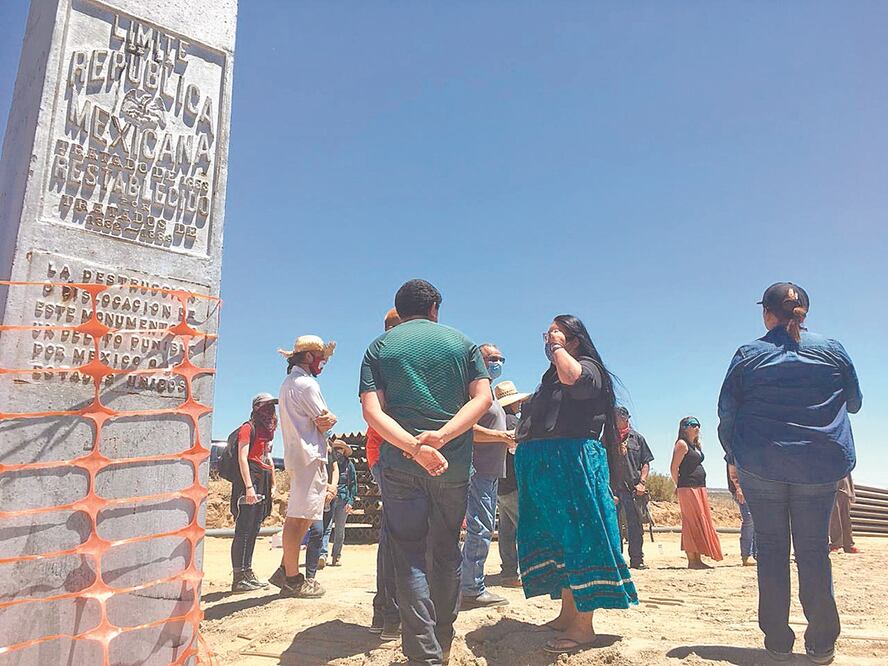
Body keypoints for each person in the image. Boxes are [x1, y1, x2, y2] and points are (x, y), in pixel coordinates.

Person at [718, 282, 862, 664]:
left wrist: (733, 455)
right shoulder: (833, 350)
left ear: (767, 314)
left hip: (762, 464)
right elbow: (856, 403)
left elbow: (727, 413)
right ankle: (821, 643)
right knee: (814, 550)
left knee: (771, 550)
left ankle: (779, 641)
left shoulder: (749, 354)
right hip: (820, 465)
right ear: (805, 312)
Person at [360, 279, 492, 665]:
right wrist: (443, 436)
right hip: (452, 467)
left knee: (409, 555)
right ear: (435, 309)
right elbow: (483, 399)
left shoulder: (379, 348)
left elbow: (372, 412)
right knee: (447, 550)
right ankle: (444, 641)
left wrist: (414, 447)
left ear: (399, 311)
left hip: (401, 464)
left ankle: (423, 655)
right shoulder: (464, 344)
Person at [514, 315, 637, 655]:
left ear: (574, 340)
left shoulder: (587, 367)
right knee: (559, 540)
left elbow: (575, 379)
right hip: (547, 468)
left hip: (574, 466)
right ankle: (567, 613)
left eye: (555, 333)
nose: (547, 339)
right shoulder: (550, 375)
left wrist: (557, 348)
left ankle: (583, 627)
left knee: (582, 538)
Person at [268, 335, 339, 599]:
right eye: (320, 357)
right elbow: (323, 421)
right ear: (309, 357)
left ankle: (286, 569)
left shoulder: (288, 383)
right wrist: (332, 417)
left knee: (299, 517)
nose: (322, 363)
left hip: (297, 455)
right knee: (301, 520)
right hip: (310, 456)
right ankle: (292, 578)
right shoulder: (307, 385)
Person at [460, 343, 513, 610]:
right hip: (477, 470)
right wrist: (500, 436)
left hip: (490, 471)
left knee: (481, 528)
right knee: (480, 528)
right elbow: (465, 429)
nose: (497, 362)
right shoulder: (473, 393)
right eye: (492, 358)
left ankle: (466, 582)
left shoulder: (487, 392)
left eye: (500, 358)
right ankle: (471, 588)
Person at [368, 307, 401, 639]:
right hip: (392, 454)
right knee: (397, 535)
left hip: (387, 452)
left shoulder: (379, 355)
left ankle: (385, 612)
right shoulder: (385, 355)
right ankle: (390, 615)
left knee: (394, 533)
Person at [230, 393, 278, 592]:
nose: (270, 411)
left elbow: (268, 457)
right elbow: (243, 458)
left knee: (254, 528)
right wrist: (249, 487)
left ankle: (247, 571)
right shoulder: (247, 428)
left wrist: (273, 482)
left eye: (272, 407)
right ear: (257, 408)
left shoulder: (267, 433)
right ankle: (239, 575)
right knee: (244, 529)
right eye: (266, 407)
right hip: (250, 479)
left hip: (263, 478)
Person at [670, 417, 723, 569]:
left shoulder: (695, 445)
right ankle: (692, 560)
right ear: (684, 428)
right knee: (691, 521)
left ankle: (698, 558)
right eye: (693, 425)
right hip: (688, 487)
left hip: (700, 487)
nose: (697, 427)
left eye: (698, 424)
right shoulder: (681, 444)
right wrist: (678, 485)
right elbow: (674, 468)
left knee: (700, 519)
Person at [493, 380, 530, 588]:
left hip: (499, 484)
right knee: (525, 529)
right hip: (516, 484)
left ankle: (508, 573)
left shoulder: (496, 422)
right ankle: (530, 571)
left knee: (507, 533)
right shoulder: (515, 424)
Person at [612, 406, 654, 570]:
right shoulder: (607, 438)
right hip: (613, 489)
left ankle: (637, 560)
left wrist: (642, 483)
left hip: (633, 489)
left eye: (619, 416)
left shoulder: (638, 439)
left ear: (625, 418)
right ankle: (617, 561)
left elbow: (645, 462)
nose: (616, 419)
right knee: (613, 526)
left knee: (634, 525)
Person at [321, 440, 358, 567]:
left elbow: (353, 484)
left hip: (343, 500)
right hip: (329, 499)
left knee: (339, 530)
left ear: (344, 451)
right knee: (326, 527)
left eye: (340, 449)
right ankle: (323, 554)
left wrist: (351, 501)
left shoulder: (349, 465)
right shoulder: (329, 463)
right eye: (336, 449)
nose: (338, 452)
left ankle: (336, 556)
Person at [726, 462, 757, 566]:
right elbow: (732, 468)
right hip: (743, 490)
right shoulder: (735, 448)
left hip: (754, 489)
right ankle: (747, 555)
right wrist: (739, 487)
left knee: (756, 521)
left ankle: (755, 554)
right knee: (749, 520)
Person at [829, 475, 859, 554]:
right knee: (835, 519)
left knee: (847, 520)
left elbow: (850, 480)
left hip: (846, 492)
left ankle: (848, 545)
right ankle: (836, 544)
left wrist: (852, 494)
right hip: (834, 491)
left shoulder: (846, 465)